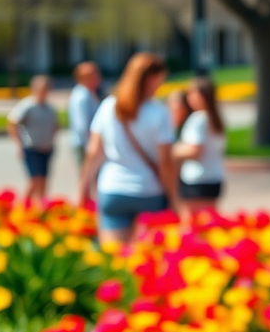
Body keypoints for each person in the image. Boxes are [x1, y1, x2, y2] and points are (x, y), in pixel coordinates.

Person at [79, 53, 177, 245]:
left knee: (113, 258)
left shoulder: (108, 106)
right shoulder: (159, 112)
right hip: (149, 190)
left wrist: (83, 188)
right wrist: (174, 197)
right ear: (152, 79)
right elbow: (165, 162)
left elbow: (93, 152)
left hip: (113, 188)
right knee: (146, 261)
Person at [172, 77, 226, 222]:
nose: (189, 98)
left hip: (196, 179)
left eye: (192, 94)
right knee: (209, 221)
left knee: (192, 223)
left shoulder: (198, 119)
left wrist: (172, 150)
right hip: (215, 176)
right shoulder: (215, 118)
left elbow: (194, 150)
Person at [6, 74, 59, 206]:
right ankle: (23, 206)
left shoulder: (49, 108)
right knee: (34, 180)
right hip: (31, 147)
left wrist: (52, 140)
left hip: (46, 148)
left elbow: (55, 125)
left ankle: (41, 206)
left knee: (44, 180)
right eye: (41, 88)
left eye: (46, 88)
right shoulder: (27, 106)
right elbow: (12, 123)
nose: (44, 91)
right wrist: (18, 144)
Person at [68, 61, 102, 165]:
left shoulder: (89, 93)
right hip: (85, 145)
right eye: (93, 74)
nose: (97, 76)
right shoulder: (82, 96)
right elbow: (82, 126)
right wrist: (91, 146)